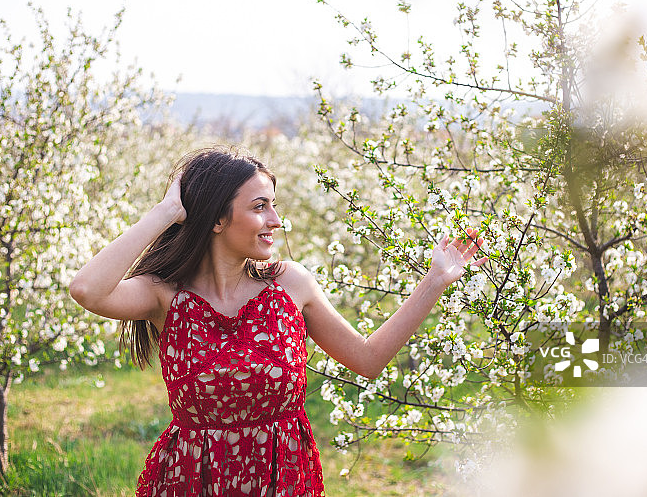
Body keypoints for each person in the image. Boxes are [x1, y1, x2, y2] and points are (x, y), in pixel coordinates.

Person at [69, 146, 486, 497]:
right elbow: (88, 289)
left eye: (274, 205)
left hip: (282, 480)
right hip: (193, 481)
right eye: (259, 207)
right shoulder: (166, 294)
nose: (275, 220)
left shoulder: (291, 284)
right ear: (216, 219)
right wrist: (164, 213)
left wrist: (434, 282)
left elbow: (368, 358)